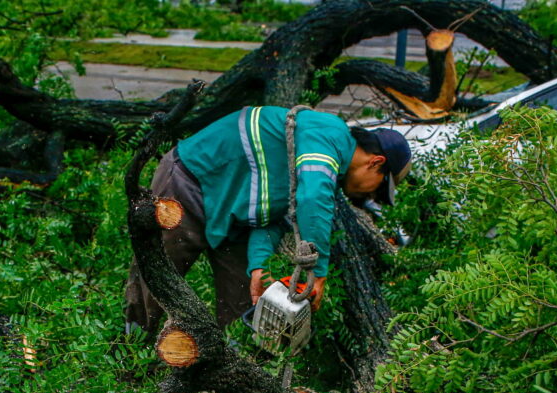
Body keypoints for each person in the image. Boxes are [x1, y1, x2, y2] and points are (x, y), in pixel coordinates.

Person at [124, 105, 412, 336]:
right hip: (192, 182)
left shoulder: (326, 170)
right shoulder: (330, 134)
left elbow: (271, 218)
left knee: (245, 306)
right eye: (377, 186)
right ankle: (128, 371)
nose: (370, 194)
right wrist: (318, 272)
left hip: (235, 212)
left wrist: (258, 267)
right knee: (155, 283)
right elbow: (311, 200)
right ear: (376, 163)